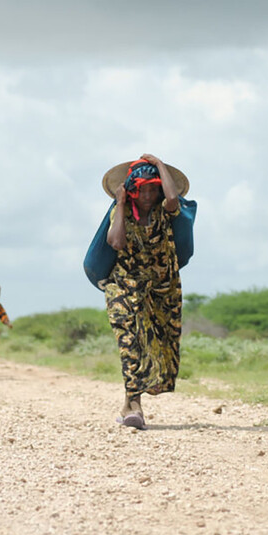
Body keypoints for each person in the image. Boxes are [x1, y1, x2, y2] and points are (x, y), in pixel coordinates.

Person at [104, 154, 187, 430]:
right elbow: (116, 242)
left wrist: (161, 165)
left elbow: (174, 200)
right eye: (143, 188)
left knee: (157, 343)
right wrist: (120, 203)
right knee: (130, 341)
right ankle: (136, 406)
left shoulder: (165, 208)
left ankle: (128, 402)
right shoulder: (122, 211)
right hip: (124, 286)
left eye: (154, 188)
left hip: (161, 288)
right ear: (131, 189)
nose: (149, 194)